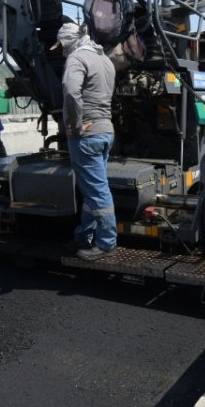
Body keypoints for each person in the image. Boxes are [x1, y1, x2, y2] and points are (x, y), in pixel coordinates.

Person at [55, 22, 117, 261]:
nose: (61, 49)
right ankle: (83, 235)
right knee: (92, 189)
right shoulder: (105, 60)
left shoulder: (76, 58)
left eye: (61, 45)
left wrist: (77, 124)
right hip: (105, 131)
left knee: (98, 191)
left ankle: (106, 242)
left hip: (86, 135)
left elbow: (71, 91)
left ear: (67, 41)